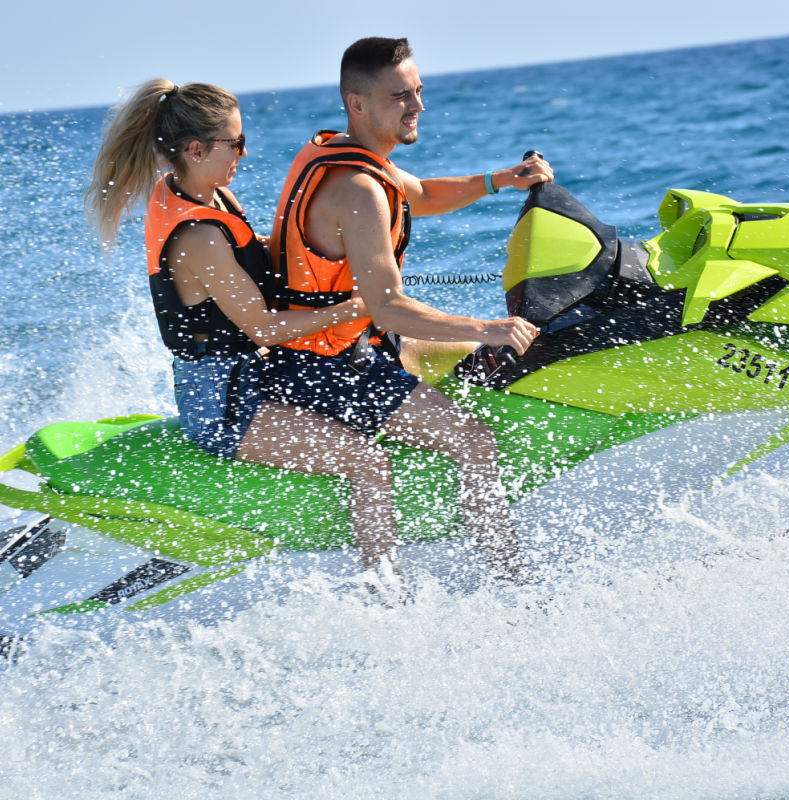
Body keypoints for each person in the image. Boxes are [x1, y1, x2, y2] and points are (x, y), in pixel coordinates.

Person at [85, 79, 412, 574]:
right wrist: (356, 306)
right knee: (368, 462)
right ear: (195, 150)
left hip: (255, 376)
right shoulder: (198, 236)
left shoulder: (206, 193)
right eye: (234, 143)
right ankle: (388, 594)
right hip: (225, 406)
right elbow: (264, 328)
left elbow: (252, 252)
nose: (243, 153)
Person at [267, 37, 554, 581]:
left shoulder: (342, 152)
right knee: (474, 439)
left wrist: (498, 180)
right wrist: (490, 327)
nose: (417, 105)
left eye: (418, 91)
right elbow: (390, 308)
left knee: (472, 358)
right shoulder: (356, 189)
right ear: (357, 103)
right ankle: (512, 583)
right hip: (321, 365)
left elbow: (419, 194)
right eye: (400, 96)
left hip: (342, 346)